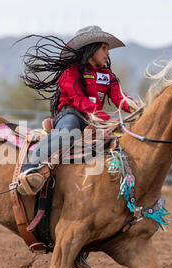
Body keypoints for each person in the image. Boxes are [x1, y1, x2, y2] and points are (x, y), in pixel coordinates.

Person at [15, 26, 133, 195]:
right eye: (104, 48)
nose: (108, 53)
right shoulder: (70, 72)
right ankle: (30, 169)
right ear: (91, 48)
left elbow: (121, 99)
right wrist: (105, 119)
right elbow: (80, 101)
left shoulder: (108, 76)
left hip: (95, 120)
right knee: (68, 132)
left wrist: (138, 109)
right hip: (72, 115)